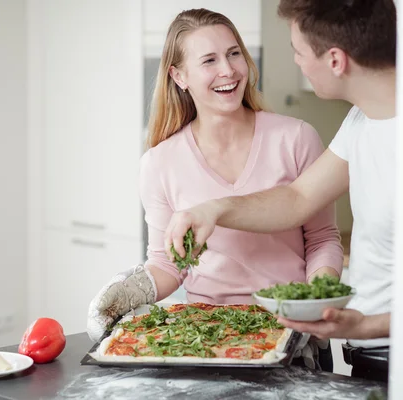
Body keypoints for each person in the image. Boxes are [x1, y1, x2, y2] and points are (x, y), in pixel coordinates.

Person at [86, 8, 345, 371]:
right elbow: (167, 262)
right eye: (209, 60)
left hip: (292, 329)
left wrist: (317, 302)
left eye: (234, 53)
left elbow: (322, 240)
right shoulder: (159, 163)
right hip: (206, 336)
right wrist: (131, 290)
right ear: (179, 76)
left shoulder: (295, 138)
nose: (228, 70)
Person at [164, 0, 397, 383]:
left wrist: (365, 324)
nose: (297, 63)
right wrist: (215, 209)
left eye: (299, 52)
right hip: (369, 358)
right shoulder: (362, 121)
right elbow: (298, 199)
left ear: (335, 61)